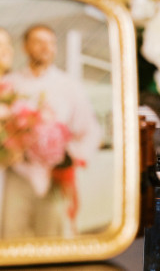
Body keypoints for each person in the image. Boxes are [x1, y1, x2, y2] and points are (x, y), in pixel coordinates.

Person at [1, 24, 102, 239]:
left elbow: (91, 130)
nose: (45, 47)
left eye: (51, 43)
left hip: (54, 177)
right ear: (25, 47)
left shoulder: (69, 86)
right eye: (38, 42)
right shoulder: (9, 84)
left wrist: (71, 157)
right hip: (16, 175)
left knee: (53, 237)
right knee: (12, 236)